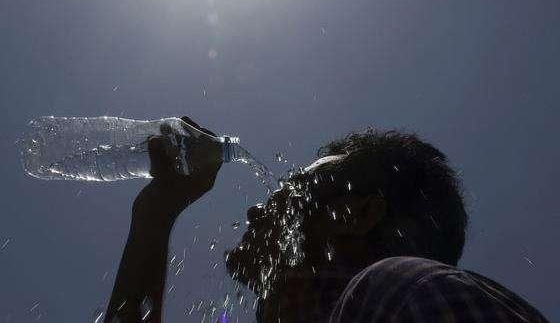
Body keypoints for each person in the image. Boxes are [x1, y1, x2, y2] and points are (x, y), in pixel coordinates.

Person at [104, 117, 549, 322]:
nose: (257, 210)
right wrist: (156, 213)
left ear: (356, 214)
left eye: (294, 190)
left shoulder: (401, 292)